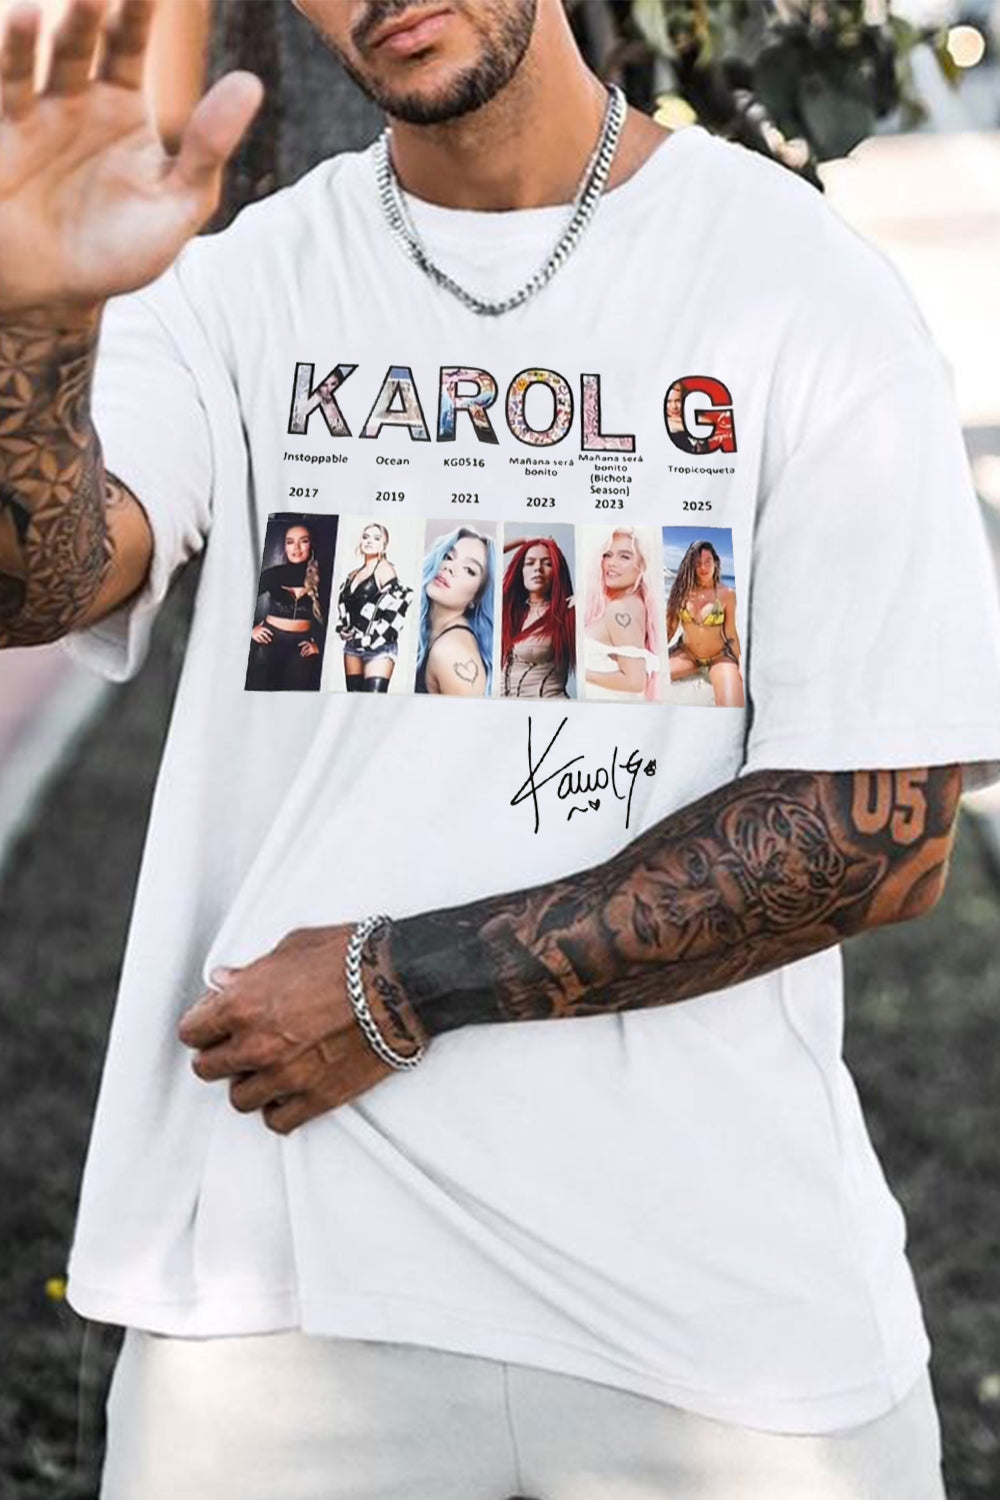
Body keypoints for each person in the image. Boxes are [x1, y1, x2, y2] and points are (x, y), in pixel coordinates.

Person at [2, 1, 1000, 1497]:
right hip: (280, 1297)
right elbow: (42, 587)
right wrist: (36, 325)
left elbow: (883, 831)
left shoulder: (796, 284)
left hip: (722, 1318)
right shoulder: (236, 284)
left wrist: (398, 984)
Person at [583, 525, 662, 701]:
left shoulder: (621, 608)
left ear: (642, 566)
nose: (611, 563)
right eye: (607, 555)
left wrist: (581, 673)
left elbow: (635, 682)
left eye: (624, 556)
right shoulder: (634, 603)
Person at [414, 525, 495, 696]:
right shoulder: (425, 630)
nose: (449, 567)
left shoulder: (451, 652)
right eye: (448, 556)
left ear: (477, 596)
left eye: (469, 570)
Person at [245, 519, 325, 691]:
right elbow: (238, 599)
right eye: (290, 542)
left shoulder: (322, 578)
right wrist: (250, 629)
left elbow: (338, 614)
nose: (296, 548)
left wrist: (320, 645)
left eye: (303, 541)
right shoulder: (272, 574)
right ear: (285, 547)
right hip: (268, 641)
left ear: (311, 545)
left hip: (301, 648)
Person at [666, 538, 745, 707]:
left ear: (716, 563)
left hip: (719, 657)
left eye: (708, 561)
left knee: (732, 703)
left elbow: (730, 632)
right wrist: (653, 653)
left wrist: (740, 662)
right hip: (687, 654)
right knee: (651, 678)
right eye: (697, 563)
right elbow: (669, 629)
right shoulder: (681, 592)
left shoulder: (727, 594)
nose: (703, 567)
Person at [335, 520, 411, 692]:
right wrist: (343, 628)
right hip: (352, 646)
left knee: (372, 701)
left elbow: (396, 608)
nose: (369, 541)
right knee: (354, 699)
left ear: (384, 545)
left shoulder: (385, 570)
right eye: (366, 537)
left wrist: (372, 637)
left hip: (379, 647)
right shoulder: (352, 575)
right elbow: (346, 609)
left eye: (376, 538)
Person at [500, 534, 575, 698]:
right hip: (505, 709)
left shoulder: (568, 613)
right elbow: (481, 554)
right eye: (530, 563)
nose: (537, 568)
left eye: (547, 563)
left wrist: (586, 599)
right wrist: (524, 540)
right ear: (520, 570)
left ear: (557, 571)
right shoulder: (508, 610)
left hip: (549, 708)